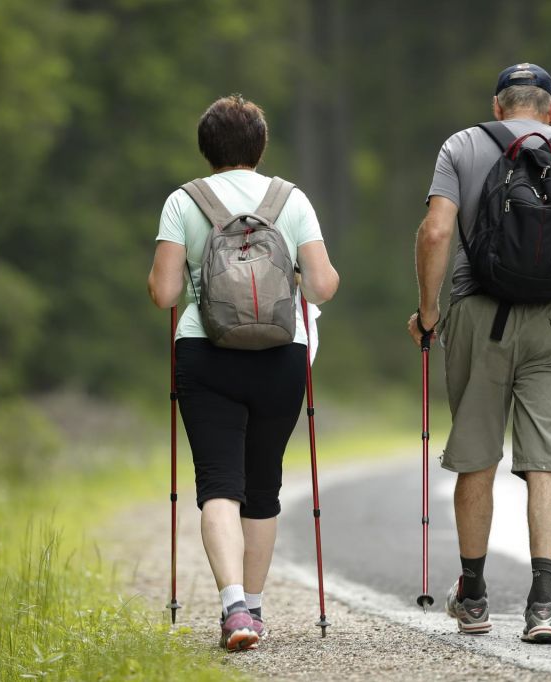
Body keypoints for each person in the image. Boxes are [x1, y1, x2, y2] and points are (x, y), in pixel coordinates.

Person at [407, 64, 551, 643]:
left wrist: (429, 314)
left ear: (497, 106)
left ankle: (474, 597)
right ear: (550, 109)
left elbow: (436, 233)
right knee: (549, 459)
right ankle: (543, 605)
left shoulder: (463, 145)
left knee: (477, 453)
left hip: (479, 315)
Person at [148, 95, 339, 651]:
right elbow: (323, 286)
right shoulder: (291, 199)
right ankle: (253, 608)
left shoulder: (183, 201)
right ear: (260, 146)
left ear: (206, 149)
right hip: (282, 354)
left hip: (205, 354)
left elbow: (164, 293)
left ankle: (232, 607)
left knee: (218, 485)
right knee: (263, 485)